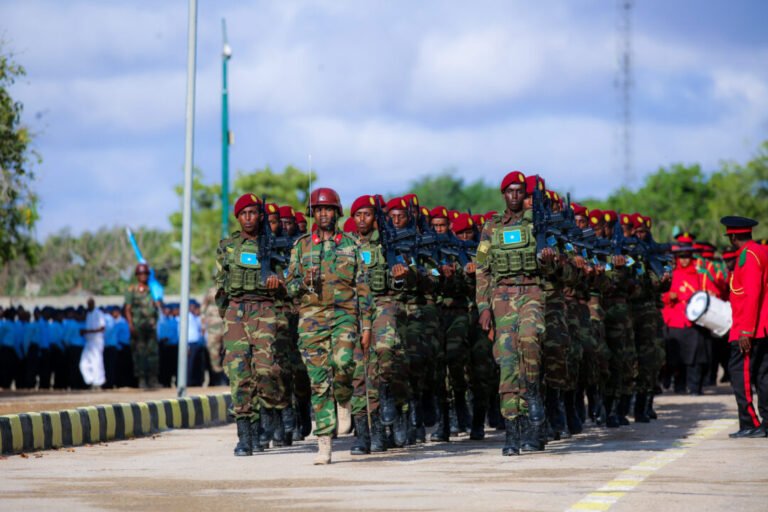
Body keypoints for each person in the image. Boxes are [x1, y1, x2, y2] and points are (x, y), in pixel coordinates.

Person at [287, 187, 372, 465]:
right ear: (313, 213)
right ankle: (324, 441)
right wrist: (303, 280)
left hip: (344, 314)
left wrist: (367, 325)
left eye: (329, 209)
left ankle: (344, 396)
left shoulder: (351, 245)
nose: (324, 214)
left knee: (344, 363)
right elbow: (289, 287)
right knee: (318, 380)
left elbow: (363, 288)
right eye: (319, 209)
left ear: (337, 213)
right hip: (312, 319)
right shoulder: (301, 246)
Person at [476, 170, 557, 456]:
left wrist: (548, 260)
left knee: (530, 340)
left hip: (532, 292)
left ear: (525, 195)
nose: (514, 196)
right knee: (508, 361)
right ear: (503, 195)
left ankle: (533, 393)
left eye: (519, 191)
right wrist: (483, 307)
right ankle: (514, 430)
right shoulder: (492, 227)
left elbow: (556, 269)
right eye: (509, 191)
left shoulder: (540, 224)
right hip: (501, 297)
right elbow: (482, 269)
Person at [216, 193, 288, 456]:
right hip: (235, 310)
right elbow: (220, 284)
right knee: (239, 372)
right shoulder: (227, 246)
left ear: (260, 216)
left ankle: (270, 411)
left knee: (266, 369)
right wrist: (227, 315)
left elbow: (291, 284)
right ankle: (245, 434)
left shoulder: (275, 246)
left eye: (253, 213)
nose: (248, 218)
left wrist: (279, 284)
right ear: (238, 217)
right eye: (243, 213)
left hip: (265, 309)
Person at [720, 216, 768, 438]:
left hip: (751, 328)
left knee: (741, 376)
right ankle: (765, 424)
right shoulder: (760, 251)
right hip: (760, 325)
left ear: (732, 236)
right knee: (762, 376)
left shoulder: (747, 256)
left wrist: (746, 331)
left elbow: (751, 294)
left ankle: (750, 422)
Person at [125, 263, 160, 388]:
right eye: (140, 273)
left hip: (151, 326)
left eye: (145, 273)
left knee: (153, 353)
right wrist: (131, 325)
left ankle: (153, 379)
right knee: (140, 353)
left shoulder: (152, 290)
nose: (143, 276)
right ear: (137, 275)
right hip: (138, 327)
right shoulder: (132, 290)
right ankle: (142, 380)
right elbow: (128, 309)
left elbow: (157, 306)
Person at [80, 297, 107, 389]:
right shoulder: (88, 314)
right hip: (88, 341)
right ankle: (90, 381)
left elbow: (102, 328)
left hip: (97, 341)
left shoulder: (98, 313)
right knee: (83, 363)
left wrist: (88, 331)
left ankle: (98, 383)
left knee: (97, 362)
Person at [185, 300, 206, 387]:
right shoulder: (187, 316)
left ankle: (196, 382)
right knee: (190, 364)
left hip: (197, 343)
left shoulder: (195, 317)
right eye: (193, 307)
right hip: (190, 343)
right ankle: (189, 382)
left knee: (197, 364)